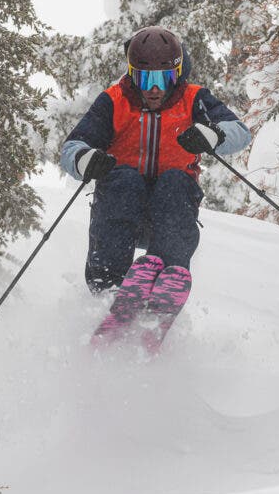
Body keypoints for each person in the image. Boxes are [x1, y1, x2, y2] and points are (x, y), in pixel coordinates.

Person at [60, 26, 251, 348]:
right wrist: (84, 160)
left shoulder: (193, 98)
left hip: (170, 210)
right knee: (123, 179)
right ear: (132, 73)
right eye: (144, 79)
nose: (153, 89)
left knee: (175, 182)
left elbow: (239, 131)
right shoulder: (114, 100)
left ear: (177, 73)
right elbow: (72, 146)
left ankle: (167, 278)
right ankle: (110, 292)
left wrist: (213, 134)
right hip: (121, 208)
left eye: (162, 79)